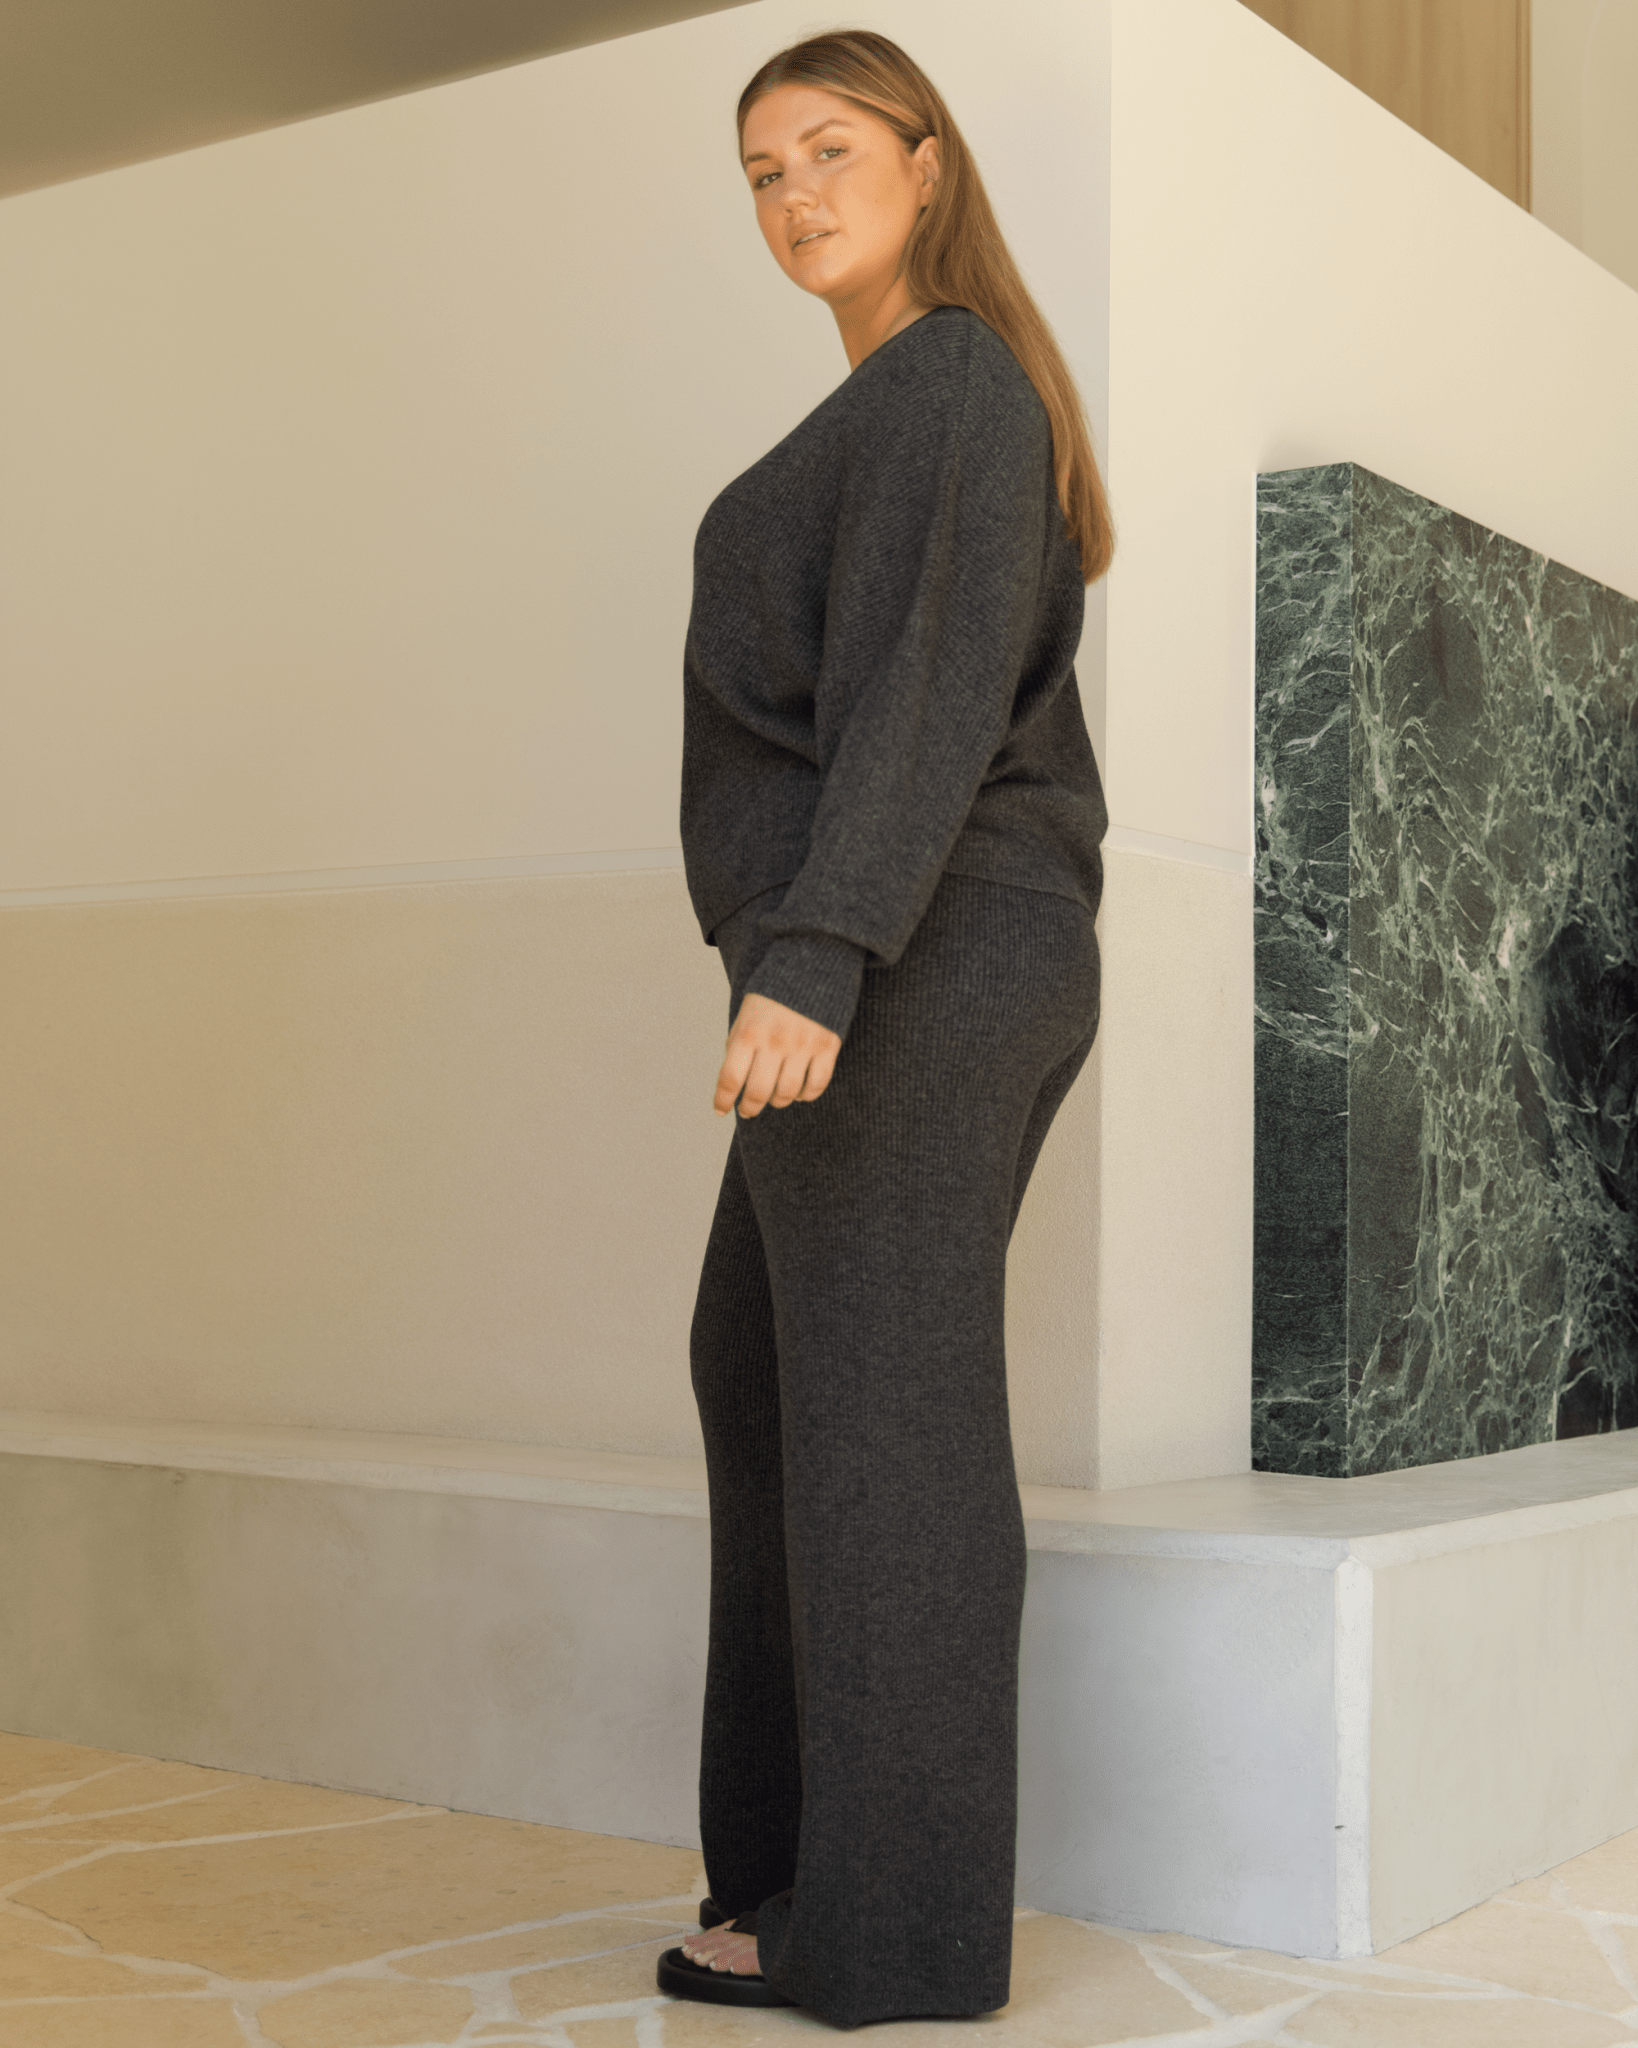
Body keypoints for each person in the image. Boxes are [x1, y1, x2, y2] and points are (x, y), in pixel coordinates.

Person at [655, 26, 1114, 2030]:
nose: (794, 196)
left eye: (829, 149)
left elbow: (920, 701)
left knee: (880, 1426)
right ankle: (795, 1874)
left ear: (928, 163)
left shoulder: (947, 384)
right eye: (761, 171)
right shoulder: (913, 403)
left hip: (922, 951)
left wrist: (820, 951)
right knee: (770, 1375)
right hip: (906, 949)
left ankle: (890, 1933)